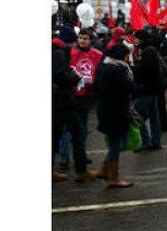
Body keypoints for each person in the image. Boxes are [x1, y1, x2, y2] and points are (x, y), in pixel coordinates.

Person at [52, 27, 98, 183]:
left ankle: (79, 167)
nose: (78, 42)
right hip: (63, 100)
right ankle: (81, 170)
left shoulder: (57, 50)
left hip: (64, 100)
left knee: (62, 134)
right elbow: (60, 75)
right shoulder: (59, 52)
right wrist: (75, 78)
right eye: (77, 39)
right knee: (76, 132)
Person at [95, 43, 135, 188]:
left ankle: (104, 169)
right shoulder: (118, 70)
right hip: (116, 111)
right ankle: (113, 176)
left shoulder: (103, 66)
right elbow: (129, 87)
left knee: (116, 143)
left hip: (105, 109)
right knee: (116, 144)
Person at [68, 29, 103, 164]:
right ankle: (73, 156)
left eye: (85, 38)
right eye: (80, 37)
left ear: (90, 40)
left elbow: (99, 74)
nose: (82, 40)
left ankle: (81, 154)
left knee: (82, 127)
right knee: (72, 129)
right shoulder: (71, 53)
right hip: (72, 95)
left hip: (86, 96)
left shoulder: (97, 54)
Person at [133, 30, 163, 150]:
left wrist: (136, 66)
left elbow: (146, 71)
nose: (134, 40)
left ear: (141, 39)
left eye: (136, 38)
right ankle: (155, 141)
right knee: (154, 115)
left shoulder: (147, 51)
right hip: (153, 89)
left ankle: (146, 141)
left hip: (147, 89)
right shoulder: (149, 50)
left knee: (137, 114)